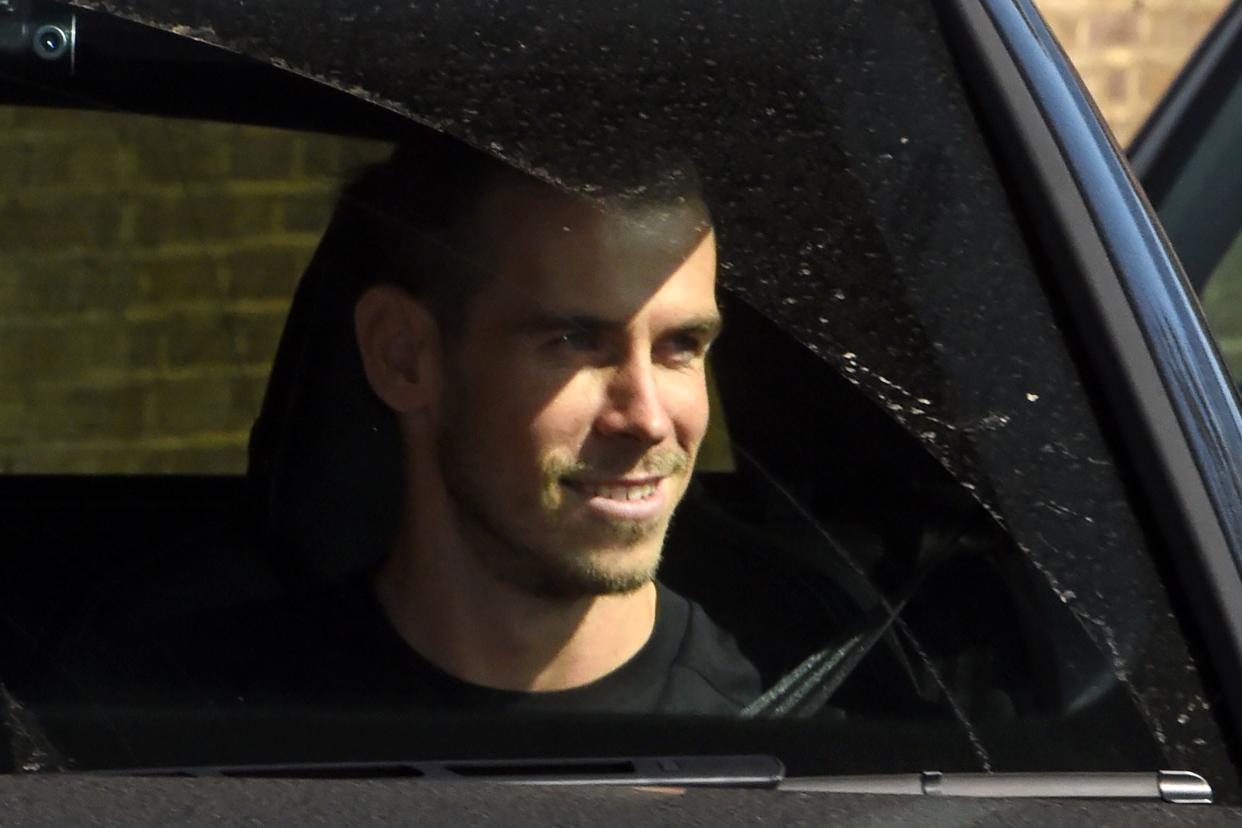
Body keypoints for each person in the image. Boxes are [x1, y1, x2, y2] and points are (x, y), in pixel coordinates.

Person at [213, 133, 762, 715]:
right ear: (402, 355)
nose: (647, 419)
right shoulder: (203, 733)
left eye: (681, 345)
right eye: (574, 342)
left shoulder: (795, 743)